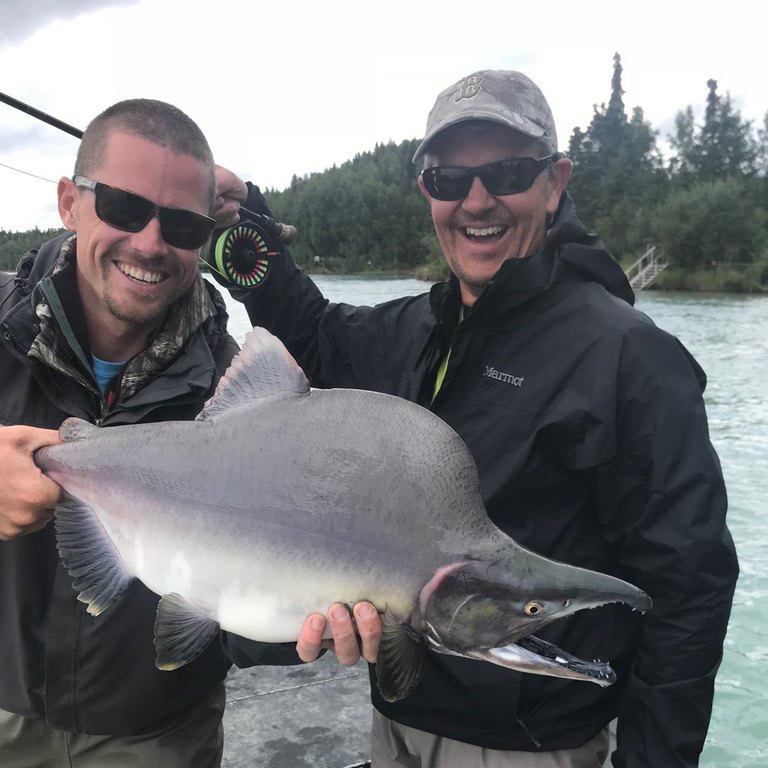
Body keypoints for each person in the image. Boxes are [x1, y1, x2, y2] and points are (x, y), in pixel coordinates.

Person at [222, 69, 739, 766]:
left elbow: (689, 587)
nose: (476, 200)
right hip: (396, 723)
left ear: (555, 183)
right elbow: (314, 337)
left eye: (508, 172)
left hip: (532, 746)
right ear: (426, 193)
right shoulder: (412, 329)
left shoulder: (629, 359)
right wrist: (251, 226)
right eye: (448, 179)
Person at [0, 98, 379, 767]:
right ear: (68, 201)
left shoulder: (242, 399)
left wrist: (306, 616)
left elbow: (238, 611)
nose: (149, 243)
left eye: (180, 224)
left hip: (158, 733)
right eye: (122, 207)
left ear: (204, 238)